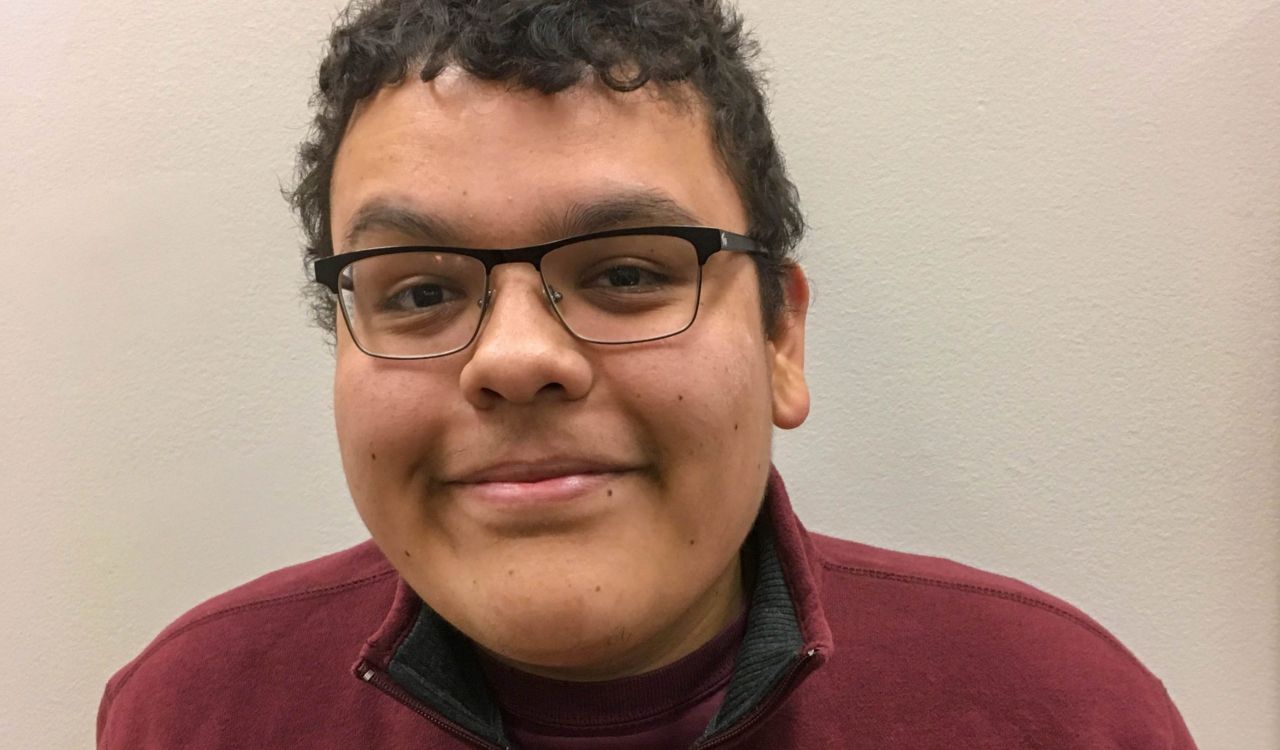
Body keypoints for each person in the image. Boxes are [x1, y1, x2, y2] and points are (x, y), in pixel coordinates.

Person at [96, 1, 1198, 748]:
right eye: (420, 291)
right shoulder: (191, 714)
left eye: (626, 270)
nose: (517, 357)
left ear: (779, 340)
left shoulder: (1054, 715)